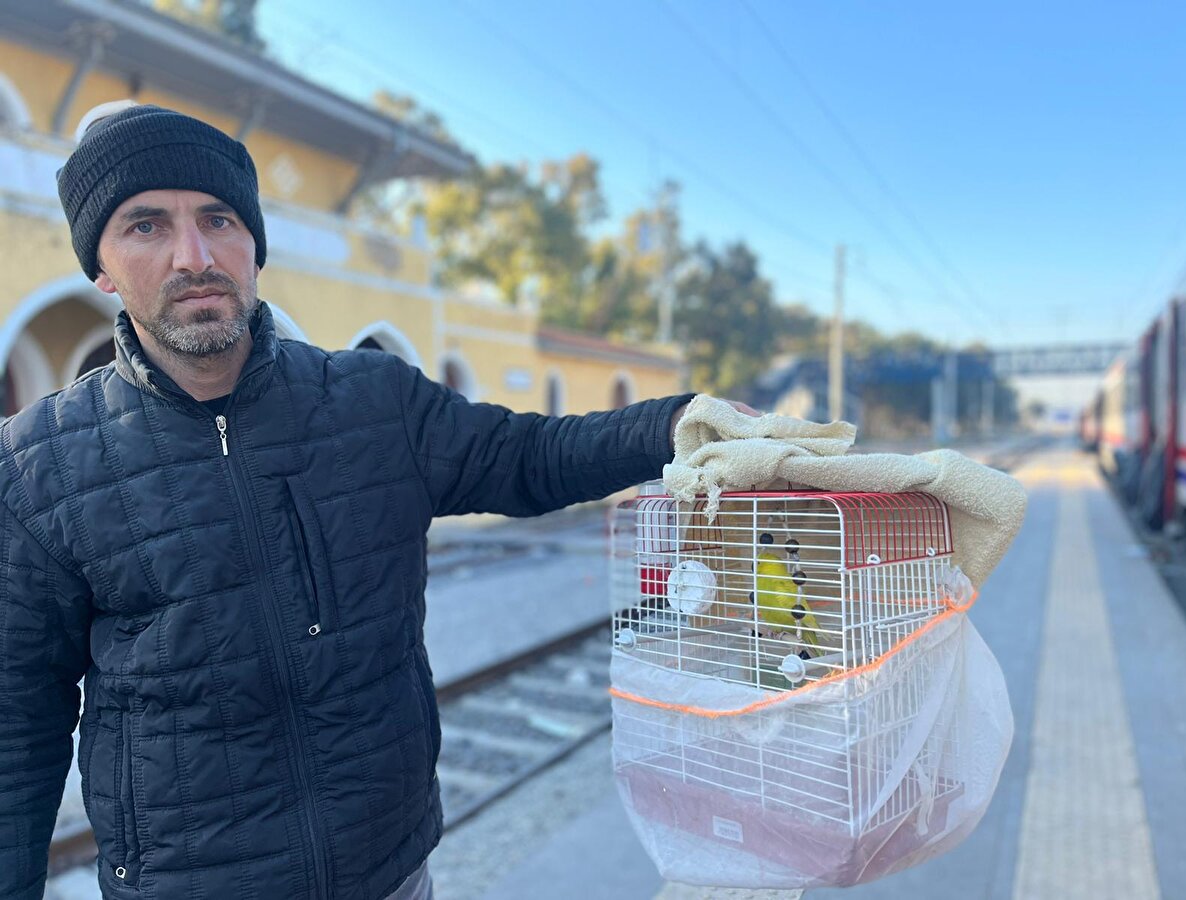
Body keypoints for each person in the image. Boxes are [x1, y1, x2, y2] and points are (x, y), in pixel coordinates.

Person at [0, 104, 753, 900]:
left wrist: (675, 424)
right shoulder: (38, 462)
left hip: (389, 871)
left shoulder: (371, 400)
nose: (195, 256)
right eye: (146, 225)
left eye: (218, 219)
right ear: (102, 266)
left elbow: (526, 455)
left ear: (255, 245)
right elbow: (17, 722)